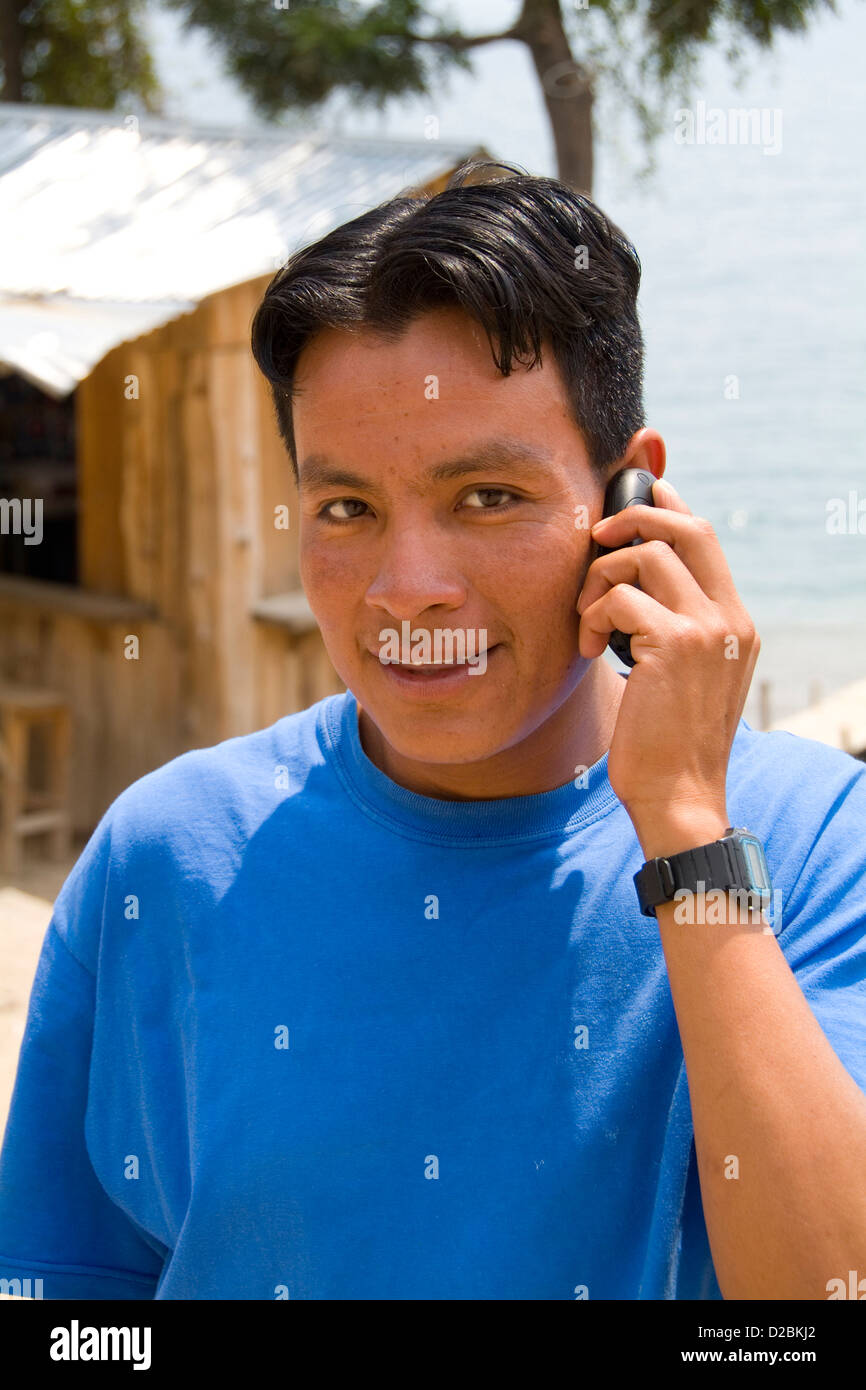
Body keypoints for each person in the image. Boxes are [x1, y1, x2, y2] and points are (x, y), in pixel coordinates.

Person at [1, 163, 864, 1301]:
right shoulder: (165, 852)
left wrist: (687, 832)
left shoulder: (808, 847)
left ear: (628, 504)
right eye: (345, 509)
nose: (407, 589)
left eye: (485, 497)